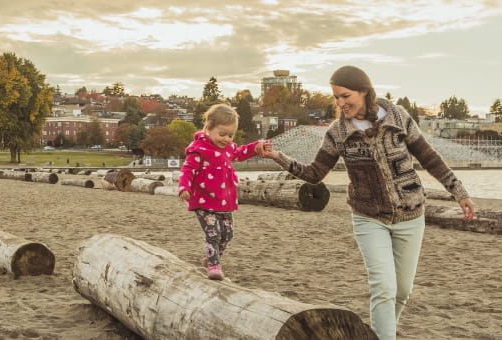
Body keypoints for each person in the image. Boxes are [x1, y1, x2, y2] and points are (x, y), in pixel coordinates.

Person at [258, 65, 476, 340]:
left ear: (364, 91)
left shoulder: (398, 117)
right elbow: (314, 174)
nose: (340, 103)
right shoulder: (337, 133)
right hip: (368, 217)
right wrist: (279, 157)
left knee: (402, 291)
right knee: (383, 288)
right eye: (336, 97)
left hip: (411, 214)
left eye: (345, 96)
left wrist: (460, 192)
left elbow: (429, 157)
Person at [178, 103, 267, 281]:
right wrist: (184, 187)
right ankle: (214, 265)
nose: (226, 139)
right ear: (209, 129)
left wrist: (257, 146)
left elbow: (241, 152)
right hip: (204, 201)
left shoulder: (228, 149)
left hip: (224, 201)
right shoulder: (199, 149)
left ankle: (212, 257)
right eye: (222, 134)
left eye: (230, 135)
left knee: (227, 234)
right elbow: (188, 170)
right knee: (213, 233)